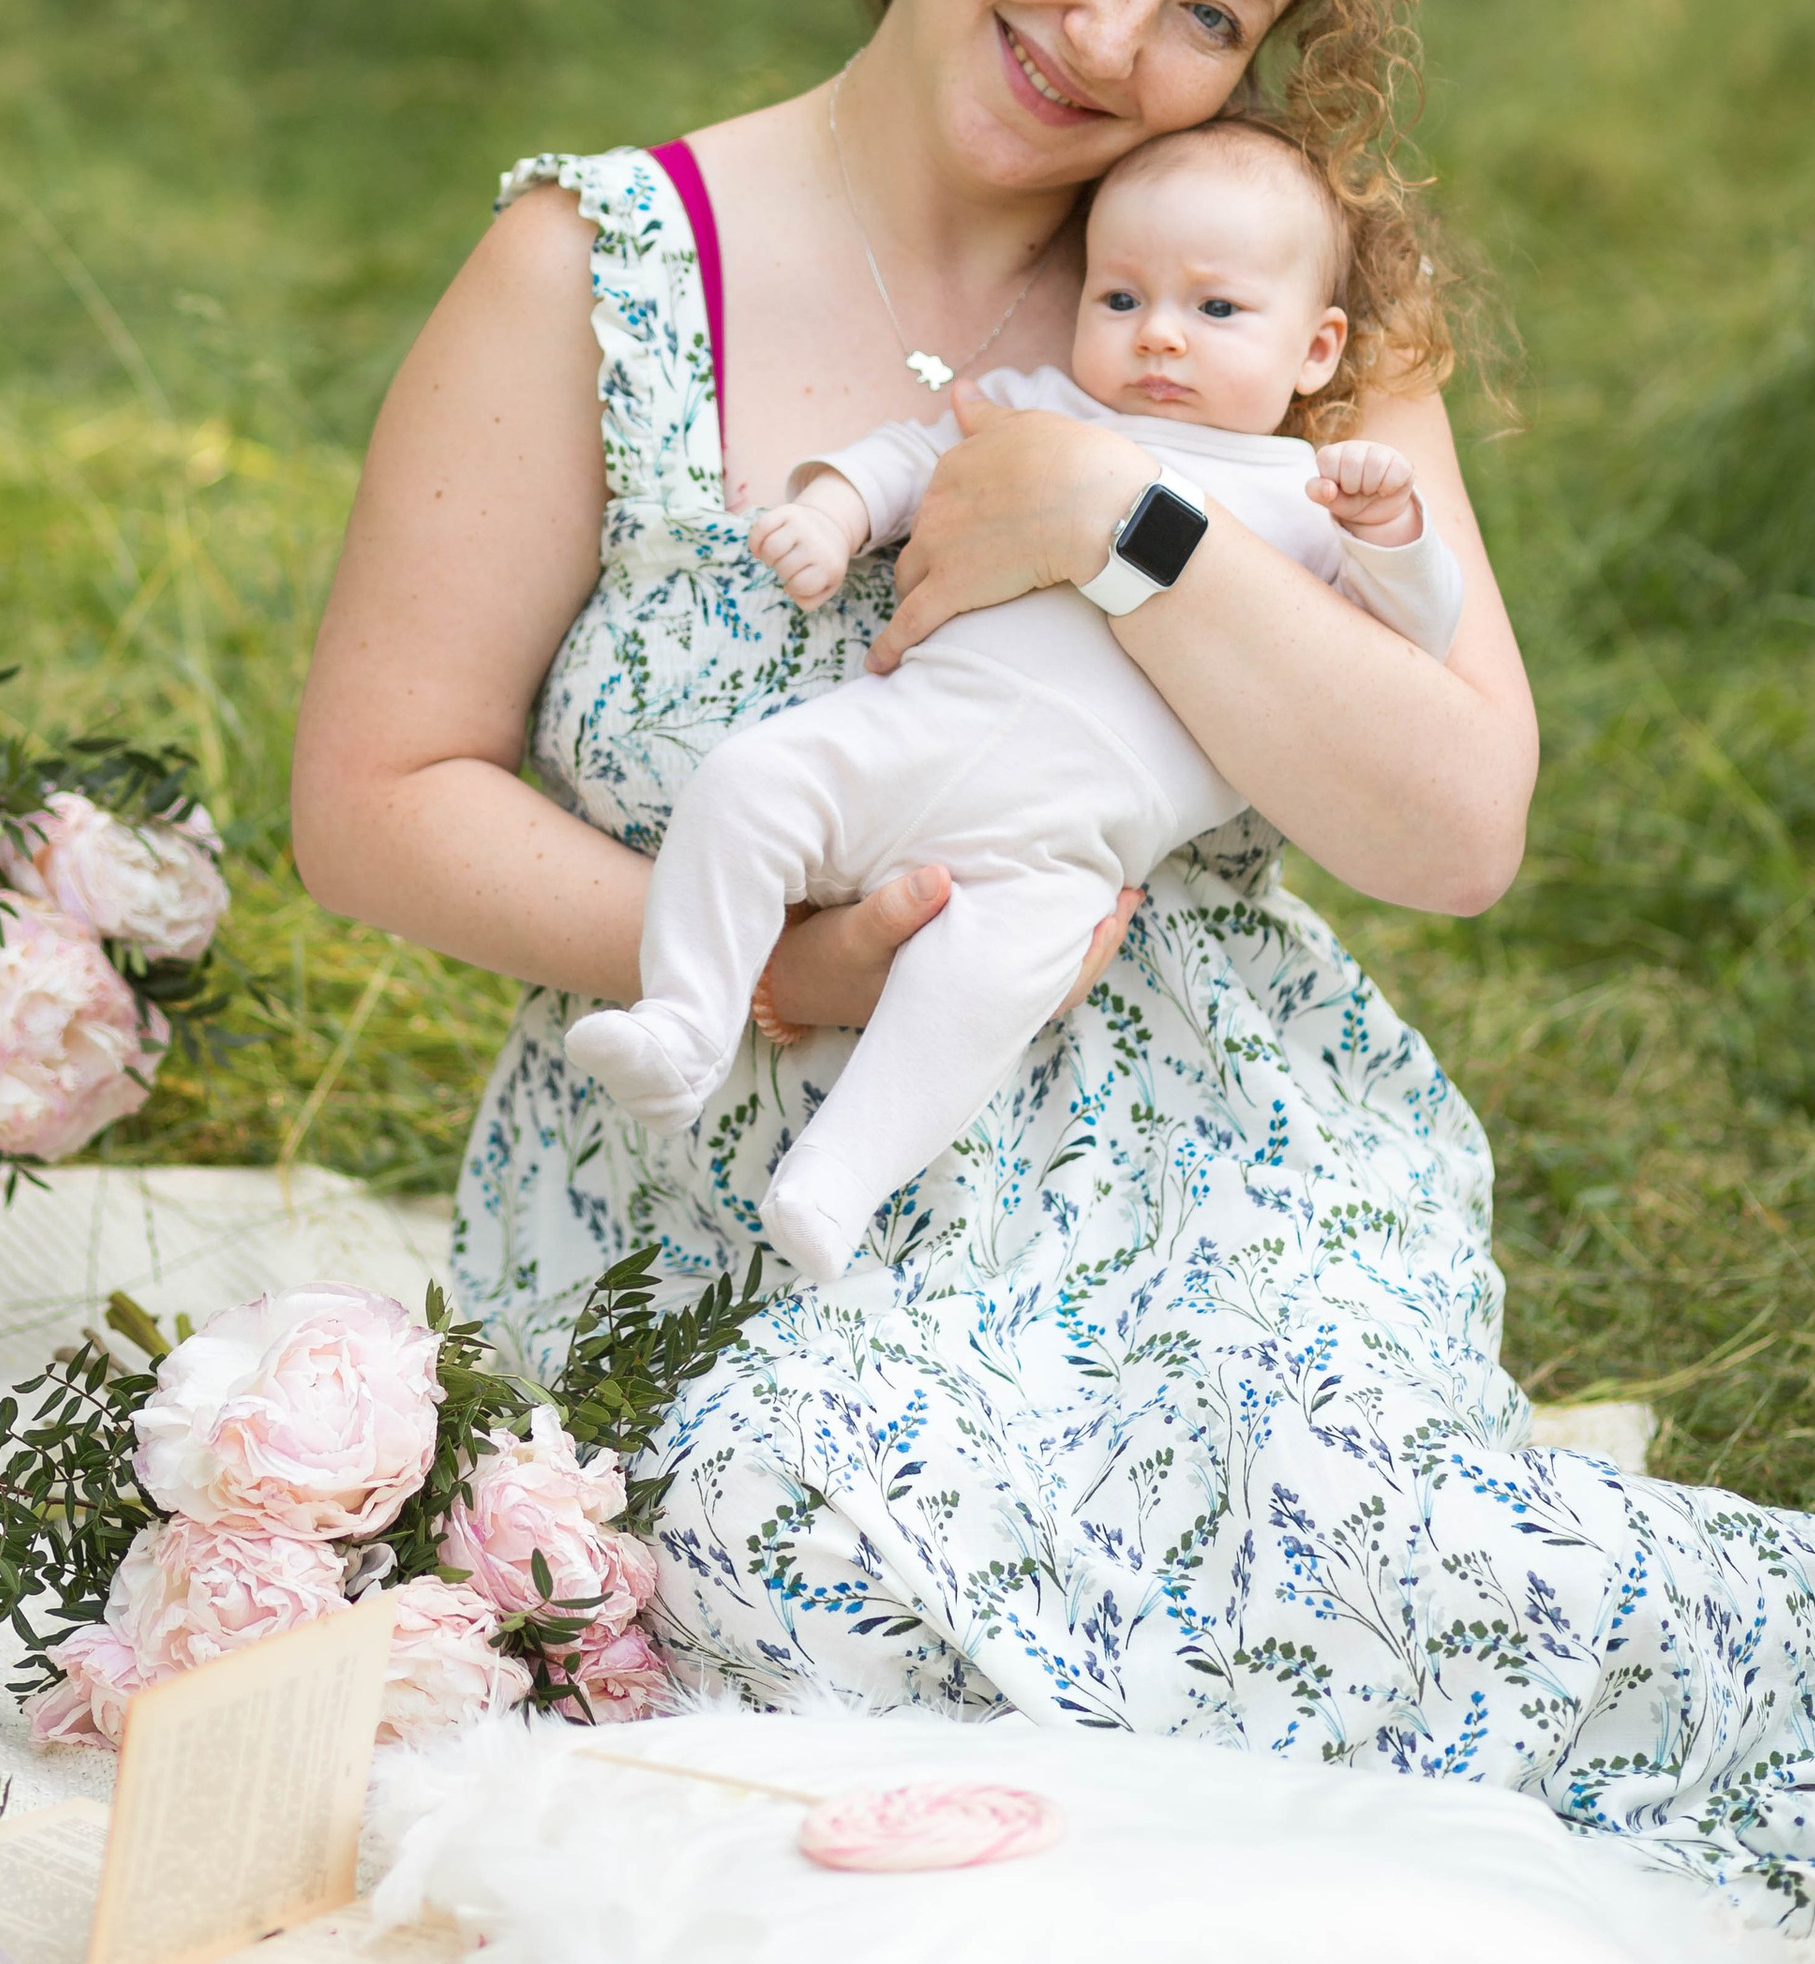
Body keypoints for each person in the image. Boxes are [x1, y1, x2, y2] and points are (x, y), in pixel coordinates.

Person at [293, 0, 1815, 1932]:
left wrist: (1119, 526)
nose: (1115, 34)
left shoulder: (1240, 286)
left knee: (1335, 1531)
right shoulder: (601, 271)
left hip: (1200, 1159)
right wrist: (781, 979)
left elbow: (1451, 831)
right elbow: (374, 789)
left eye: (1210, 7)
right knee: (798, 1553)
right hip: (744, 1183)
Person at [566, 118, 1464, 1281]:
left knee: (982, 990)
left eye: (1217, 311)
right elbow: (912, 452)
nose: (1160, 339)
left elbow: (1408, 649)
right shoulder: (1049, 410)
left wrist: (1393, 535)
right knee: (747, 787)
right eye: (1121, 298)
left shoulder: (1303, 500)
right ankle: (685, 1024)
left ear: (1315, 349)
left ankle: (837, 1180)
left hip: (1064, 846)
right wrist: (836, 513)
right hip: (903, 732)